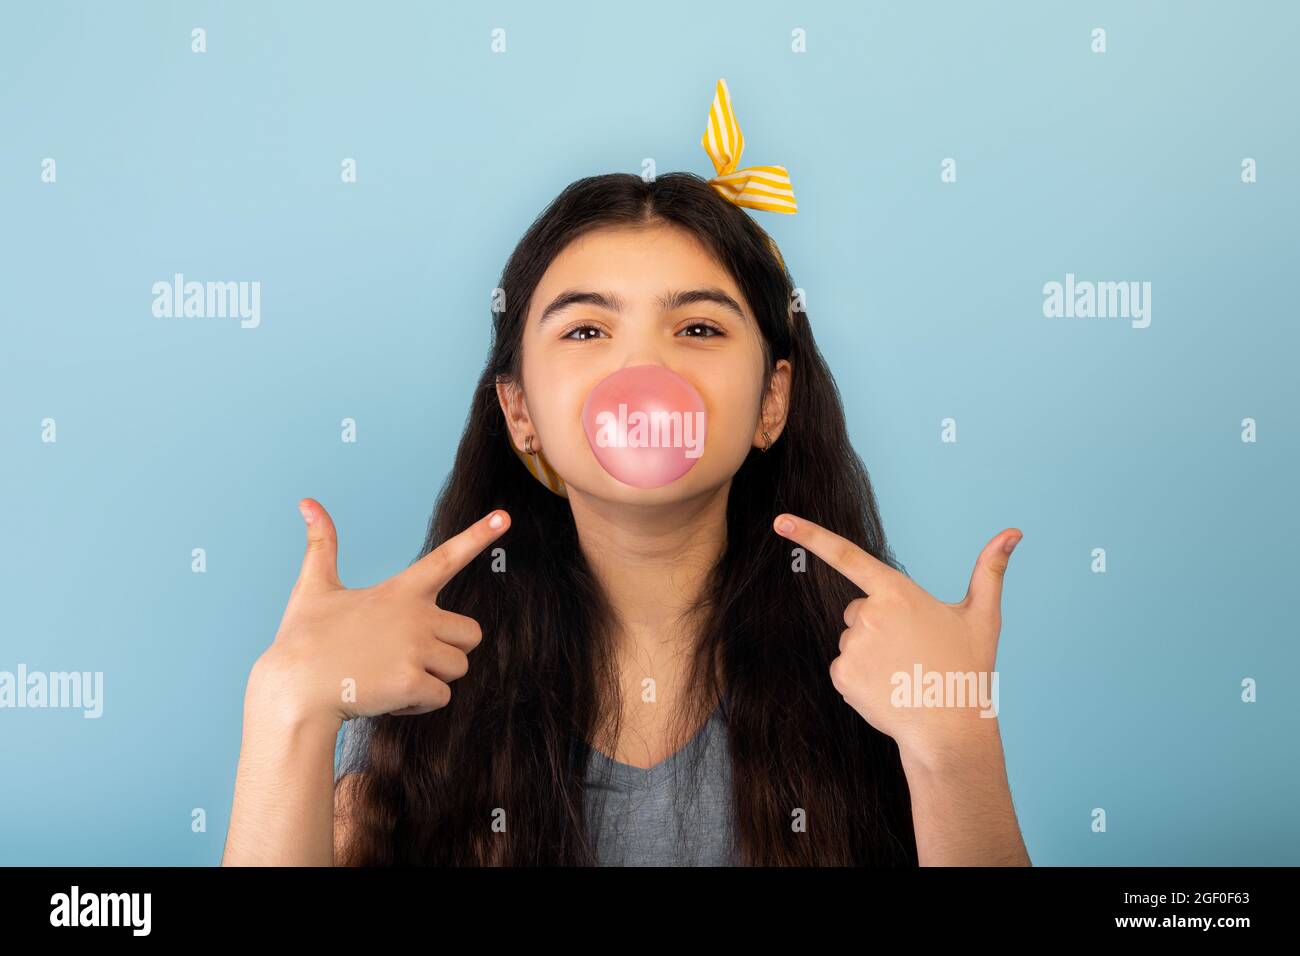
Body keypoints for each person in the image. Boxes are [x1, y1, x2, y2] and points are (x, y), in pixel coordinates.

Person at [221, 79, 1030, 867]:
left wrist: (956, 740)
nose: (643, 365)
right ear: (520, 411)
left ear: (771, 401)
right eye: (584, 331)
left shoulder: (885, 690)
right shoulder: (423, 703)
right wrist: (288, 707)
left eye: (700, 326)